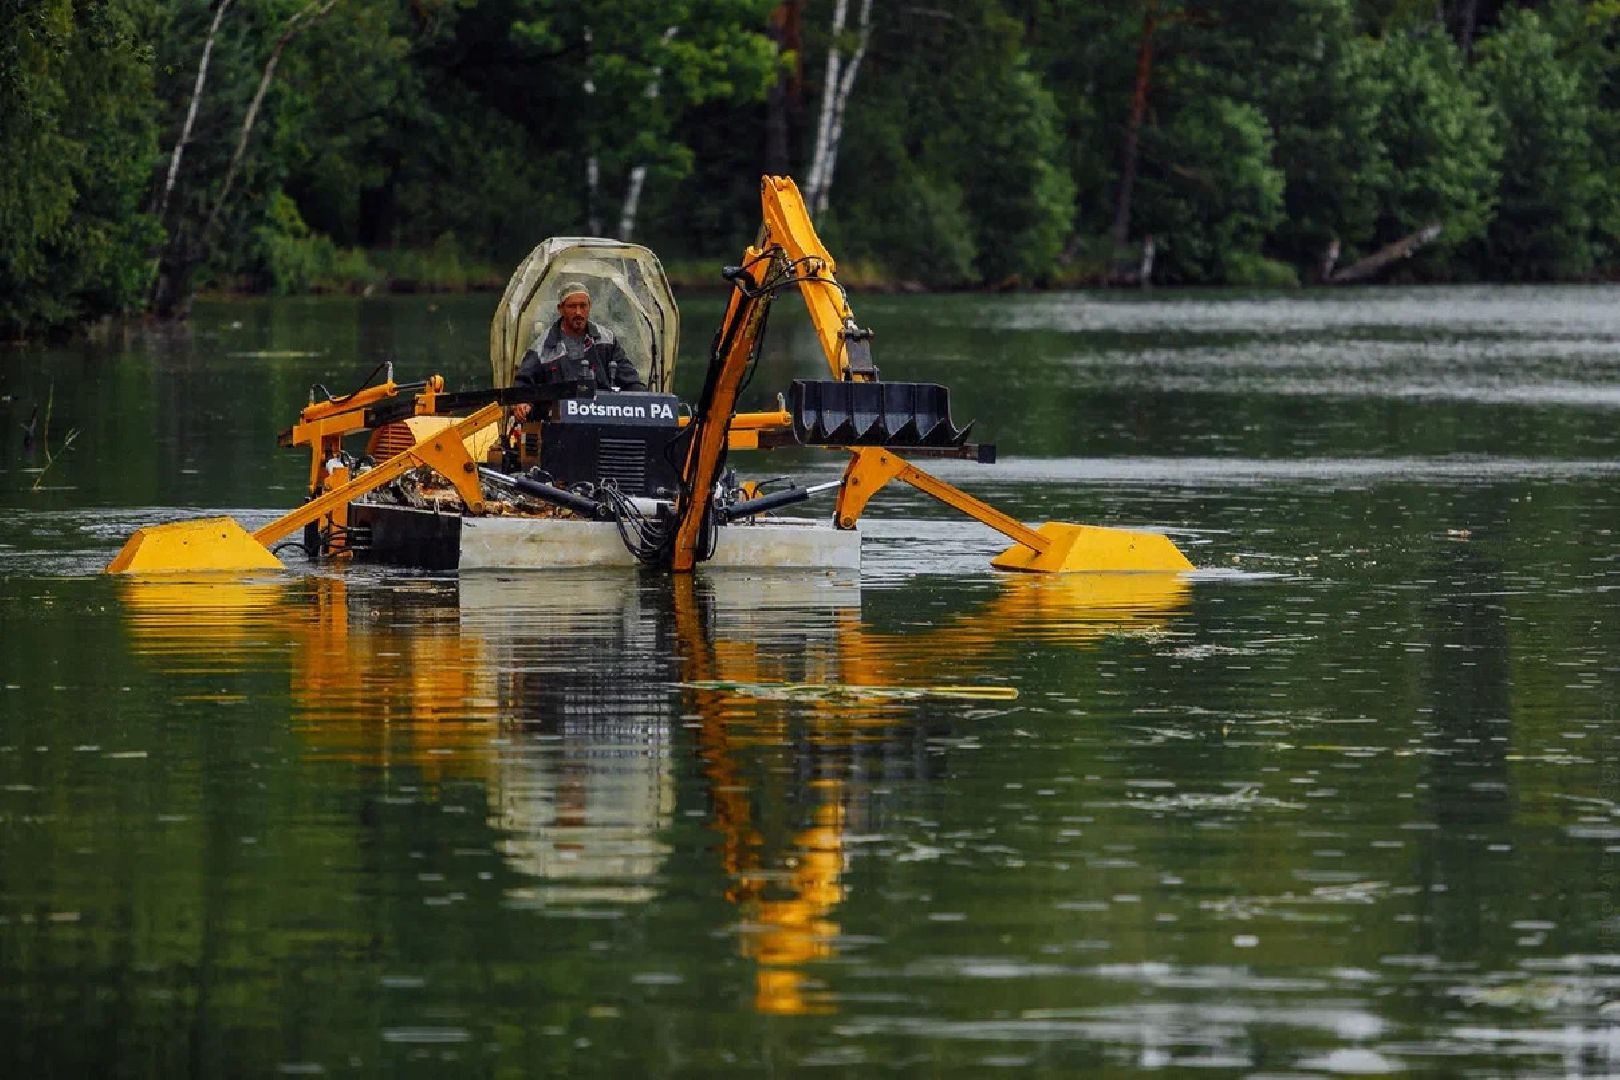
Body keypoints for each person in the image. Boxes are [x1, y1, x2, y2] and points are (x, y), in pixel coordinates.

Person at [510, 282, 645, 422]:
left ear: (589, 307)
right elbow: (523, 386)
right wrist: (522, 403)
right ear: (560, 309)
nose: (578, 312)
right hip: (558, 424)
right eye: (572, 307)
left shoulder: (607, 340)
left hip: (603, 419)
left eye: (583, 306)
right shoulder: (541, 349)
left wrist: (647, 401)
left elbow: (630, 380)